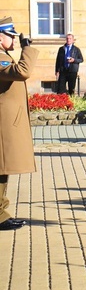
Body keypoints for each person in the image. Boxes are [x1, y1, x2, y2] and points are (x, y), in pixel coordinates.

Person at [0, 17, 38, 231]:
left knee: (3, 170)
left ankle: (1, 214)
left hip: (5, 125)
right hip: (2, 126)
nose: (15, 39)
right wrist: (27, 49)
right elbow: (23, 72)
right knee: (0, 170)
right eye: (11, 36)